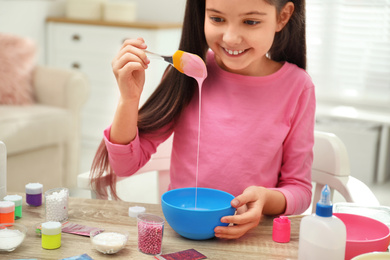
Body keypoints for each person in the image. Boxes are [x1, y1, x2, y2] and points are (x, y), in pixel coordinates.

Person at [91, 0, 315, 239]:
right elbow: (125, 165)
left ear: (282, 17)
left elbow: (299, 190)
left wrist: (266, 199)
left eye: (250, 22)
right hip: (182, 231)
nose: (230, 38)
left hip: (251, 239)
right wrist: (129, 99)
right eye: (217, 19)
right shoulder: (189, 71)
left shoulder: (297, 87)